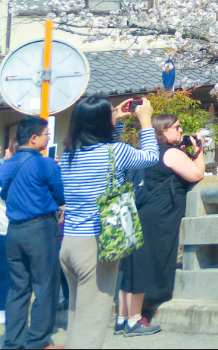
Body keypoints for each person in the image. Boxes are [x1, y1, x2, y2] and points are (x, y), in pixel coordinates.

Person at [59, 95, 159, 348]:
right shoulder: (116, 152)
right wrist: (145, 121)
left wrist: (115, 121)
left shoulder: (69, 154)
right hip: (97, 244)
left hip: (70, 242)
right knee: (91, 324)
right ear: (103, 123)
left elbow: (106, 151)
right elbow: (150, 156)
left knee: (77, 316)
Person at [118, 114, 206, 336]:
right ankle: (135, 320)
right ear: (163, 130)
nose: (180, 131)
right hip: (159, 216)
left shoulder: (145, 154)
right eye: (176, 127)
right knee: (144, 265)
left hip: (141, 211)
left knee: (132, 264)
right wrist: (198, 150)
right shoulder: (171, 153)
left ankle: (122, 318)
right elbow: (197, 173)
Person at [1, 117, 62, 350]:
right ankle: (38, 341)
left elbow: (4, 191)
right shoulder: (46, 164)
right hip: (41, 228)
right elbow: (59, 193)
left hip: (14, 230)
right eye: (46, 134)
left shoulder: (8, 163)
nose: (48, 138)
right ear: (34, 138)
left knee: (18, 288)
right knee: (45, 286)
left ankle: (13, 342)